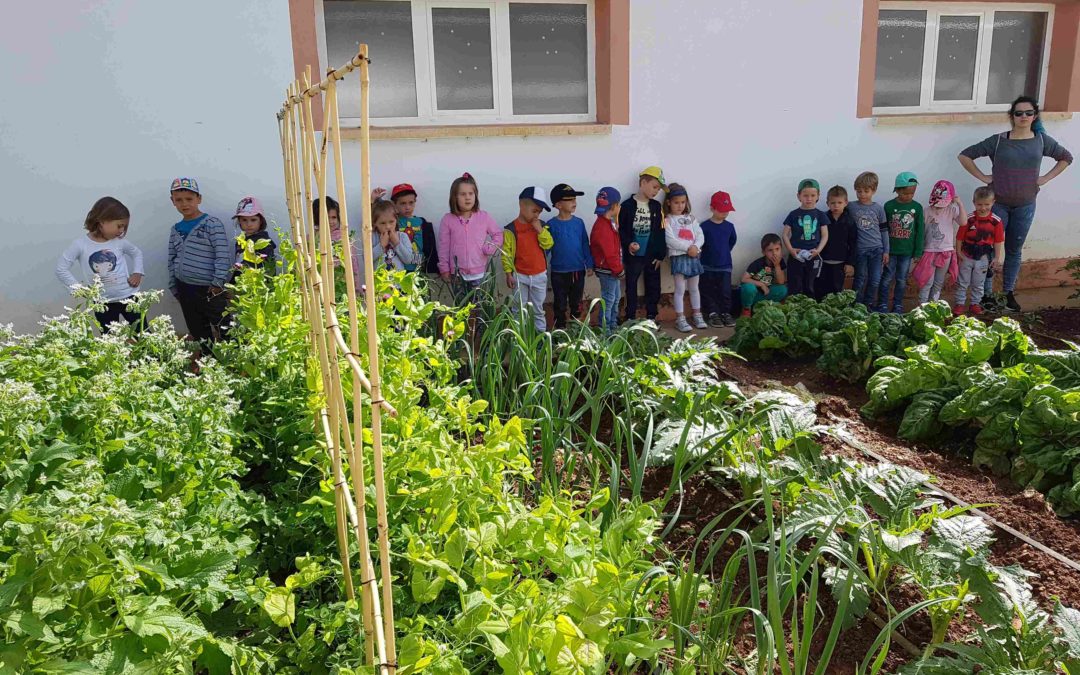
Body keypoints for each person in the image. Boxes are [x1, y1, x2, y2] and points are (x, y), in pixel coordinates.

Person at [958, 95, 1072, 312]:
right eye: (1019, 113)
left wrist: (1045, 178)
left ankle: (1008, 293)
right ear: (1012, 116)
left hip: (1025, 205)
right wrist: (983, 177)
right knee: (988, 249)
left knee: (1014, 250)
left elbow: (1066, 157)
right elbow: (965, 156)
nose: (1024, 117)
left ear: (1035, 116)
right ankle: (986, 294)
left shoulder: (1041, 140)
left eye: (1029, 113)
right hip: (998, 205)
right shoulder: (998, 141)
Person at [55, 196, 144, 332]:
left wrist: (137, 272)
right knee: (109, 339)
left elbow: (136, 253)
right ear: (102, 221)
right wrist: (79, 289)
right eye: (119, 225)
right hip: (102, 304)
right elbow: (61, 269)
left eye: (124, 226)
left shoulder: (119, 242)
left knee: (143, 333)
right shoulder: (80, 245)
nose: (122, 230)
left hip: (130, 297)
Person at [167, 178, 232, 343]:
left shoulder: (212, 224)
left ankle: (232, 356)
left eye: (189, 199)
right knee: (197, 328)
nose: (184, 204)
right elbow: (172, 258)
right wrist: (173, 285)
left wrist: (218, 283)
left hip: (210, 289)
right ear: (172, 201)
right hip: (185, 288)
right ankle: (206, 355)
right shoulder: (176, 229)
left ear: (199, 199)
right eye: (179, 200)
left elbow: (222, 255)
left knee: (223, 326)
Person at [436, 172, 503, 303]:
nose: (467, 198)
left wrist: (490, 247)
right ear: (454, 197)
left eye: (471, 194)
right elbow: (443, 246)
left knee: (479, 307)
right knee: (462, 308)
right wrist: (444, 268)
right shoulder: (448, 219)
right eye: (463, 194)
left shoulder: (484, 217)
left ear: (475, 195)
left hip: (479, 274)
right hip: (457, 275)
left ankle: (479, 318)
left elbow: (498, 235)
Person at [618, 166, 666, 323]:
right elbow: (620, 229)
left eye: (658, 189)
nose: (656, 191)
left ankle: (651, 315)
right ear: (643, 183)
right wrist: (628, 244)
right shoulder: (626, 206)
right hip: (633, 256)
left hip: (651, 255)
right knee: (631, 285)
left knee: (653, 285)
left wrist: (660, 255)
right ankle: (630, 317)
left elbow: (661, 230)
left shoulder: (656, 207)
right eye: (654, 187)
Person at [502, 187, 554, 331]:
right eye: (534, 210)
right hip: (519, 276)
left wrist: (540, 230)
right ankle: (519, 336)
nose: (537, 215)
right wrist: (508, 273)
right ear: (521, 205)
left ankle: (540, 336)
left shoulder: (542, 226)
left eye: (539, 212)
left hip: (539, 274)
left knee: (538, 309)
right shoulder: (511, 229)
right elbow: (506, 253)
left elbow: (549, 244)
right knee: (518, 308)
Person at [547, 183, 595, 329]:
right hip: (558, 272)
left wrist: (589, 263)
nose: (574, 202)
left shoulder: (579, 223)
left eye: (575, 199)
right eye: (570, 200)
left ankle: (576, 329)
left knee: (576, 302)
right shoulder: (550, 225)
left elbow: (585, 243)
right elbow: (546, 248)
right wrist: (540, 266)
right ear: (558, 205)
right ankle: (559, 331)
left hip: (577, 271)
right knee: (560, 303)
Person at [877, 172, 924, 314]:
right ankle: (882, 304)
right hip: (890, 251)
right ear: (897, 190)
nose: (909, 196)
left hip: (907, 252)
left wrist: (918, 252)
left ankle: (898, 304)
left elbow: (920, 231)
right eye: (906, 193)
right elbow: (883, 230)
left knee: (902, 279)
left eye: (912, 193)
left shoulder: (917, 207)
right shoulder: (889, 206)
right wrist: (883, 249)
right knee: (886, 278)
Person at [954, 186, 1005, 316]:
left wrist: (996, 257)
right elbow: (959, 237)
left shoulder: (996, 222)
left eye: (987, 204)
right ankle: (959, 304)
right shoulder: (969, 219)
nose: (983, 208)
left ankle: (975, 303)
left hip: (983, 257)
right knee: (962, 281)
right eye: (979, 204)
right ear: (974, 203)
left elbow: (998, 241)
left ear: (993, 202)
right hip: (966, 255)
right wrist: (958, 252)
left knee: (979, 282)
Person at [664, 183, 706, 332]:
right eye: (676, 202)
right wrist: (688, 248)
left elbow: (700, 235)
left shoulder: (691, 218)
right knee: (680, 289)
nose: (680, 205)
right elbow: (670, 240)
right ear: (668, 202)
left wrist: (696, 247)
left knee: (694, 288)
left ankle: (697, 314)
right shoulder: (667, 220)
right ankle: (680, 318)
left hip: (694, 256)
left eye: (683, 202)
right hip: (679, 257)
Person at [913, 180, 964, 304]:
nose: (939, 206)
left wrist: (960, 204)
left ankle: (933, 305)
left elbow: (963, 222)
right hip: (929, 251)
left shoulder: (951, 210)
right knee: (927, 281)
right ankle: (922, 306)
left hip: (945, 252)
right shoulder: (926, 211)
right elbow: (919, 231)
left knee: (938, 282)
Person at [782, 178, 830, 297]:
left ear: (818, 196)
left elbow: (825, 235)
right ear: (799, 196)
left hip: (813, 255)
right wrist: (791, 250)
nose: (809, 199)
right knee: (794, 285)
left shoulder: (820, 215)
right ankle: (794, 306)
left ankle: (811, 306)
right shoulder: (793, 214)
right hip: (796, 256)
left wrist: (818, 250)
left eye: (813, 195)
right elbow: (785, 234)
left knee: (811, 285)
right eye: (805, 195)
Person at [849, 171, 889, 308]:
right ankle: (856, 305)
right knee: (860, 279)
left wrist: (886, 251)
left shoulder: (879, 209)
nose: (862, 195)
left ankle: (868, 304)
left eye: (866, 191)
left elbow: (884, 231)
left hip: (877, 250)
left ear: (874, 190)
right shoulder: (851, 206)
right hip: (860, 250)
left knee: (875, 280)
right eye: (859, 191)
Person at [700, 191, 737, 327]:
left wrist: (724, 253)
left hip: (725, 265)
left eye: (727, 210)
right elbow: (700, 243)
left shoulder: (729, 227)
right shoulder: (704, 227)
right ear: (712, 208)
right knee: (708, 290)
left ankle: (725, 313)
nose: (725, 213)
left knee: (725, 291)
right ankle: (712, 313)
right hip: (707, 266)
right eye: (721, 210)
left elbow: (732, 241)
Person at [590, 186, 623, 334]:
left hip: (611, 269)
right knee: (609, 299)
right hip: (608, 269)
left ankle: (613, 324)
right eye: (619, 204)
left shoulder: (607, 223)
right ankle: (605, 328)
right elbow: (610, 253)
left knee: (615, 297)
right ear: (614, 206)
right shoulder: (603, 227)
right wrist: (619, 269)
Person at [312, 196, 362, 290]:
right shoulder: (312, 237)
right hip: (321, 282)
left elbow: (354, 262)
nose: (331, 221)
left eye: (334, 217)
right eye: (326, 218)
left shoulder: (344, 237)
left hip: (342, 282)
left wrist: (355, 282)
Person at [816, 186, 857, 300]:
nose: (836, 206)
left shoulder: (849, 221)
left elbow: (853, 243)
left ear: (846, 203)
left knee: (836, 291)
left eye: (839, 202)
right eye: (833, 203)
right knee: (820, 289)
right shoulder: (823, 219)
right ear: (827, 203)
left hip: (840, 263)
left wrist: (850, 263)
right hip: (823, 261)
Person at [388, 183, 439, 274]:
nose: (407, 207)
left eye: (411, 203)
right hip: (398, 268)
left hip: (419, 268)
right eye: (403, 203)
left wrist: (432, 269)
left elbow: (430, 249)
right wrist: (373, 202)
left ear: (415, 202)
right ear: (394, 204)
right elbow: (378, 220)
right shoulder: (392, 222)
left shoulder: (422, 222)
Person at [740, 233, 788, 316]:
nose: (774, 253)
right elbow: (744, 279)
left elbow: (781, 282)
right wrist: (761, 284)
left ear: (781, 249)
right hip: (755, 295)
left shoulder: (780, 262)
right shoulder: (758, 264)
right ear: (763, 252)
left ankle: (765, 308)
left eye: (777, 249)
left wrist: (777, 265)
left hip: (766, 294)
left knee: (783, 289)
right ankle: (746, 309)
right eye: (770, 250)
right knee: (748, 288)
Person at [367, 199, 418, 272]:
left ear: (396, 220)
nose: (388, 226)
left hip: (398, 279)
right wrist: (381, 245)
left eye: (391, 222)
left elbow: (409, 260)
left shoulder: (402, 236)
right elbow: (367, 260)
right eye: (383, 223)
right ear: (375, 223)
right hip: (379, 279)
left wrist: (397, 243)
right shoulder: (372, 237)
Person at [232, 196, 277, 273]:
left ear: (261, 221)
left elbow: (269, 270)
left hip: (258, 279)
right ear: (239, 221)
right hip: (240, 279)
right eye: (244, 220)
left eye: (253, 220)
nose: (249, 224)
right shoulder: (240, 240)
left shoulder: (265, 243)